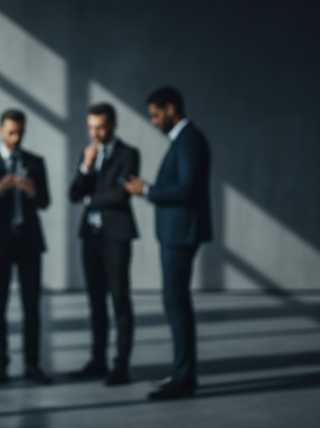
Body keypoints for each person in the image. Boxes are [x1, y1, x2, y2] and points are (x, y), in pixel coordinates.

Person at [124, 86, 212, 400]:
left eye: (156, 115)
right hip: (177, 233)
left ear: (171, 109)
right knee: (175, 302)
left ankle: (184, 379)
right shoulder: (185, 141)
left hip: (181, 233)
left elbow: (186, 190)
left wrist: (148, 191)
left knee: (176, 303)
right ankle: (181, 373)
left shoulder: (189, 141)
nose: (154, 121)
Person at [0, 109, 52, 385]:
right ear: (0, 131)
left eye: (20, 132)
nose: (16, 137)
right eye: (11, 132)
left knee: (31, 306)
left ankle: (32, 364)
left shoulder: (35, 162)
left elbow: (45, 201)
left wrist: (31, 190)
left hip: (29, 242)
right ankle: (0, 365)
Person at [68, 103, 140, 386]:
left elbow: (120, 197)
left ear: (113, 125)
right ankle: (98, 360)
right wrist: (85, 167)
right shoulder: (88, 153)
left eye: (100, 127)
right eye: (90, 127)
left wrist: (89, 200)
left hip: (117, 237)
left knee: (120, 301)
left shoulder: (128, 154)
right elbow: (73, 193)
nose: (95, 133)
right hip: (91, 236)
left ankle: (121, 365)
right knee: (96, 303)